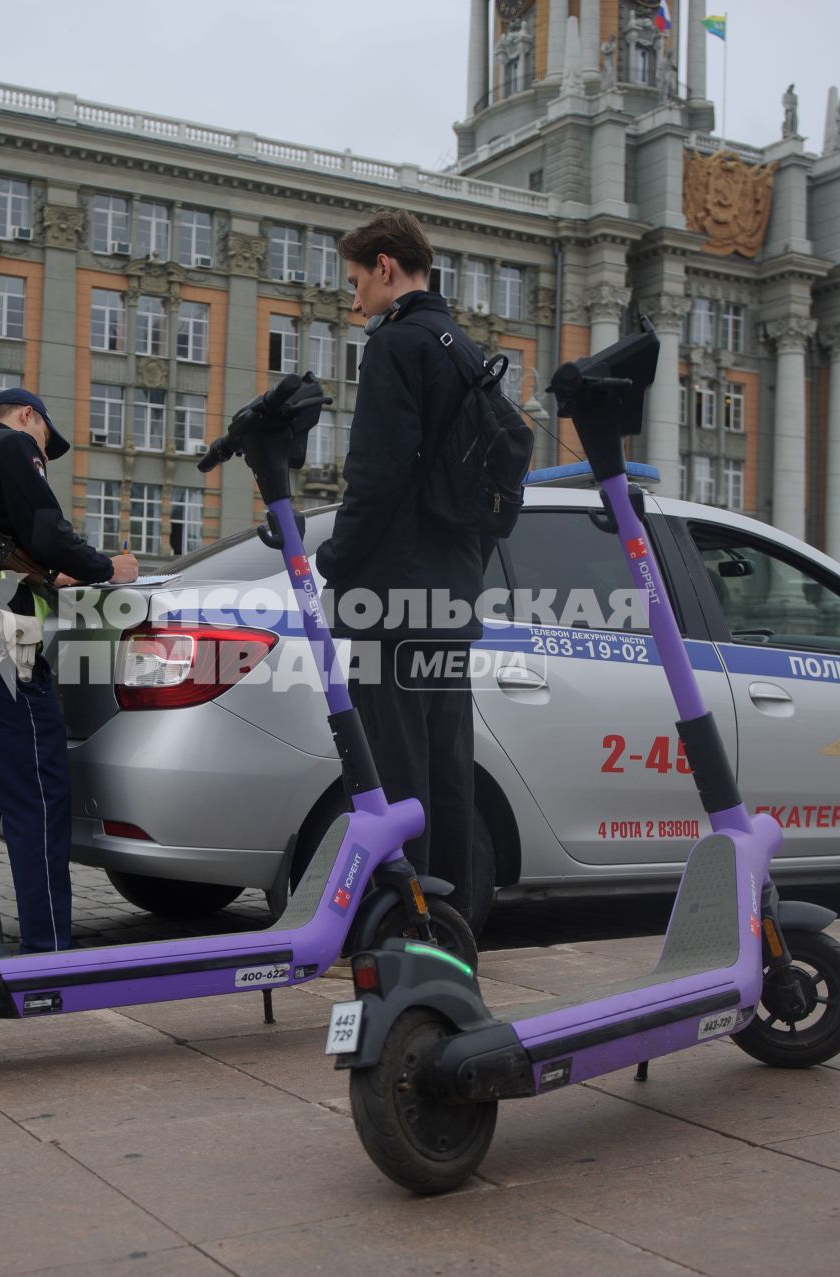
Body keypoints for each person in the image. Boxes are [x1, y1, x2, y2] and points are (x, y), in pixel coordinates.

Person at [0, 388, 137, 953]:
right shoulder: (11, 443)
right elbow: (45, 528)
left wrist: (45, 577)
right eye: (45, 438)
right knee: (36, 787)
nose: (43, 452)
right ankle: (48, 946)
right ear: (26, 416)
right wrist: (104, 566)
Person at [317, 208, 490, 927]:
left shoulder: (395, 346)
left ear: (386, 267)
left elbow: (377, 473)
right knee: (448, 762)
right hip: (452, 591)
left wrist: (335, 555)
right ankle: (454, 921)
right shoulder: (463, 347)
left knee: (395, 763)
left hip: (392, 597)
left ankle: (405, 922)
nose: (354, 300)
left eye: (357, 281)